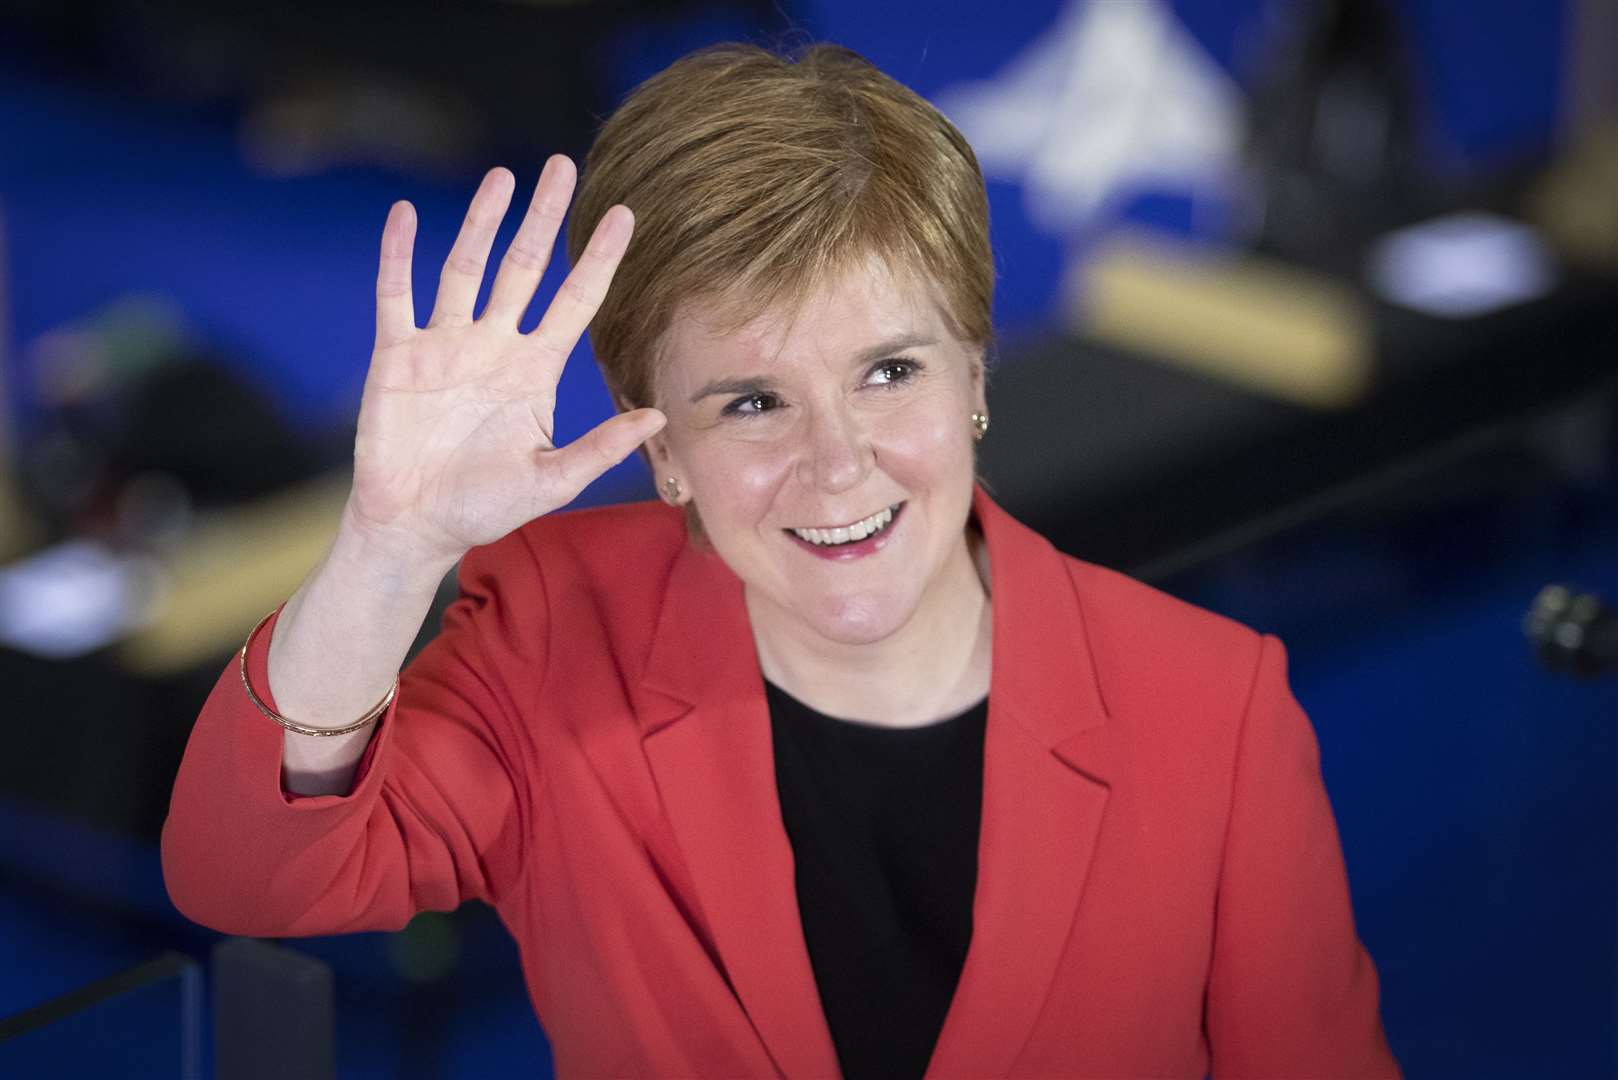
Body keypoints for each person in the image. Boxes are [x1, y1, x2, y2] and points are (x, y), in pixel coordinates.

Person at [162, 43, 1400, 1079]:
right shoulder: (554, 636)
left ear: (976, 375)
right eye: (751, 402)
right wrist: (392, 545)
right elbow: (251, 876)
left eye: (890, 371)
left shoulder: (1214, 709)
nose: (836, 463)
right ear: (663, 450)